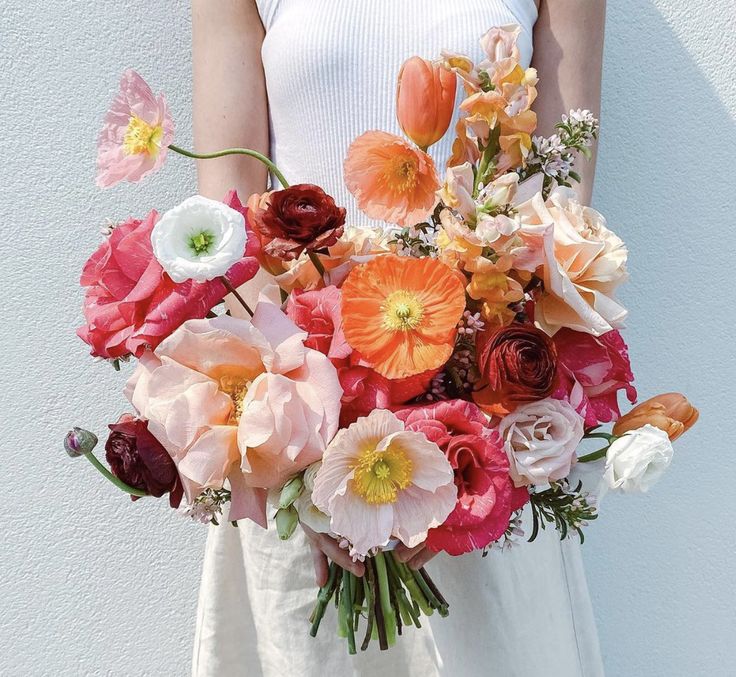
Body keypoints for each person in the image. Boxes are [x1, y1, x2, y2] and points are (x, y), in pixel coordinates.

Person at [191, 1, 606, 675]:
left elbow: (563, 213)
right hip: (301, 440)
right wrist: (312, 452)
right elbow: (227, 220)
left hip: (481, 449)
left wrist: (453, 438)